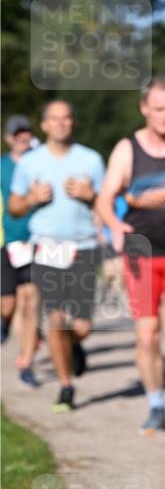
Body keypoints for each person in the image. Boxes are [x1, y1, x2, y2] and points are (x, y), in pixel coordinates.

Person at [96, 76, 165, 434]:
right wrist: (115, 224)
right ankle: (156, 404)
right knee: (147, 335)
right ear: (144, 108)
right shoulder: (127, 149)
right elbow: (104, 197)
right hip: (141, 253)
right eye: (158, 109)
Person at [9, 101, 105, 412]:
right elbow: (13, 207)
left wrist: (91, 196)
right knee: (55, 318)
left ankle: (70, 347)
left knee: (81, 327)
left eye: (66, 118)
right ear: (45, 125)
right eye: (55, 119)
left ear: (73, 123)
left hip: (84, 246)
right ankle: (66, 387)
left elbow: (106, 203)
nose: (61, 124)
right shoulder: (30, 162)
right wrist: (31, 198)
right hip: (47, 245)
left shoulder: (91, 160)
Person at [1, 114, 40, 386]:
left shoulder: (41, 163)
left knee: (30, 301)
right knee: (8, 303)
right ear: (8, 139)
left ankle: (27, 362)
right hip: (6, 241)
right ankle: (4, 322)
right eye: (18, 134)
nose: (23, 138)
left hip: (36, 240)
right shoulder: (2, 166)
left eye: (27, 133)